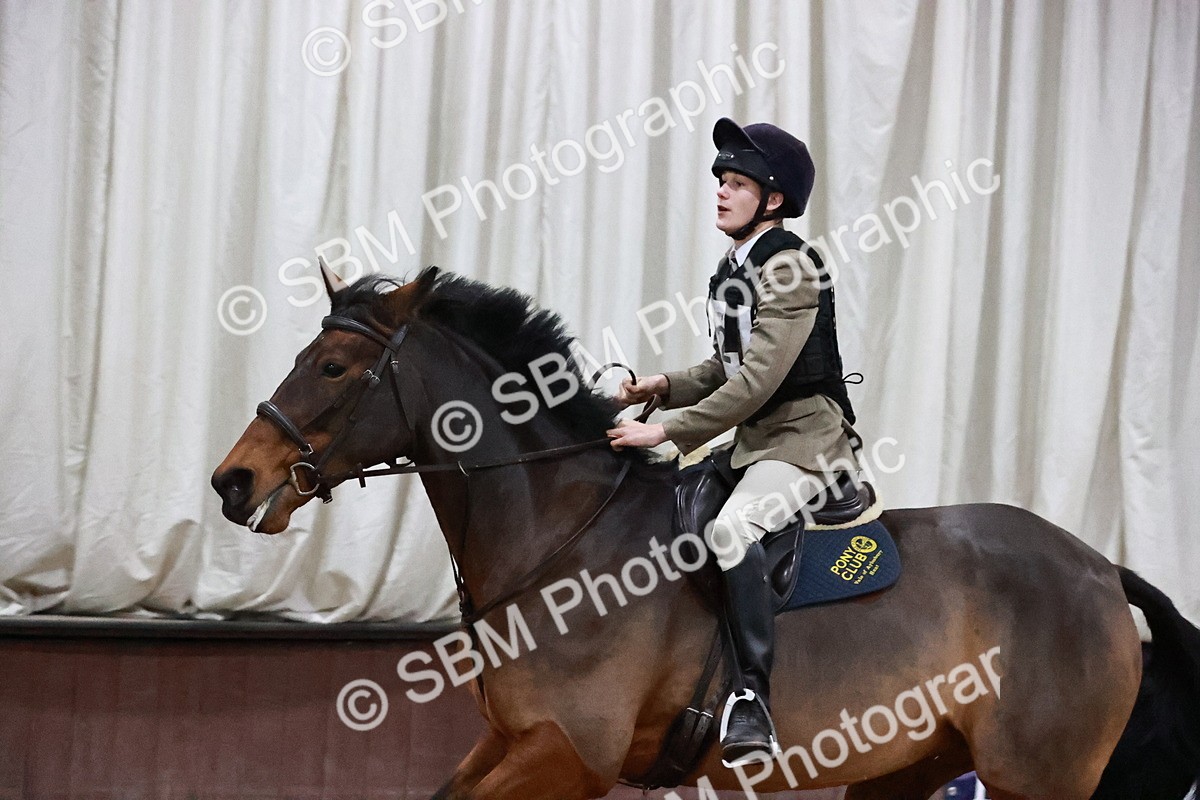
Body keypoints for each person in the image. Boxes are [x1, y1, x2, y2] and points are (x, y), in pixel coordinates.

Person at [607, 117, 860, 767]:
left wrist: (664, 429)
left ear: (772, 200)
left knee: (731, 531)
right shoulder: (731, 271)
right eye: (720, 179)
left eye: (737, 182)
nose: (720, 191)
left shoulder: (790, 269)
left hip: (804, 439)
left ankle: (751, 700)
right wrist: (656, 385)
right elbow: (724, 366)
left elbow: (755, 383)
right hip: (754, 440)